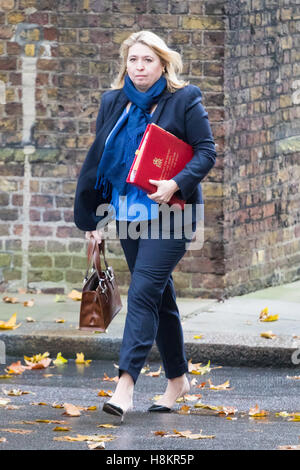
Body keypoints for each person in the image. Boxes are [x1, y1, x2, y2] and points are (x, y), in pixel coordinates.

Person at [73, 30, 216, 421]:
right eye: (133, 60)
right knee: (159, 297)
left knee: (142, 293)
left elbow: (207, 151)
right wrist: (95, 219)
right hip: (129, 216)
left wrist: (176, 182)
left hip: (173, 213)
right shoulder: (113, 102)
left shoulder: (184, 99)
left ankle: (125, 386)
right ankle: (177, 380)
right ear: (126, 64)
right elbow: (100, 166)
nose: (140, 67)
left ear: (163, 63)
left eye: (148, 60)